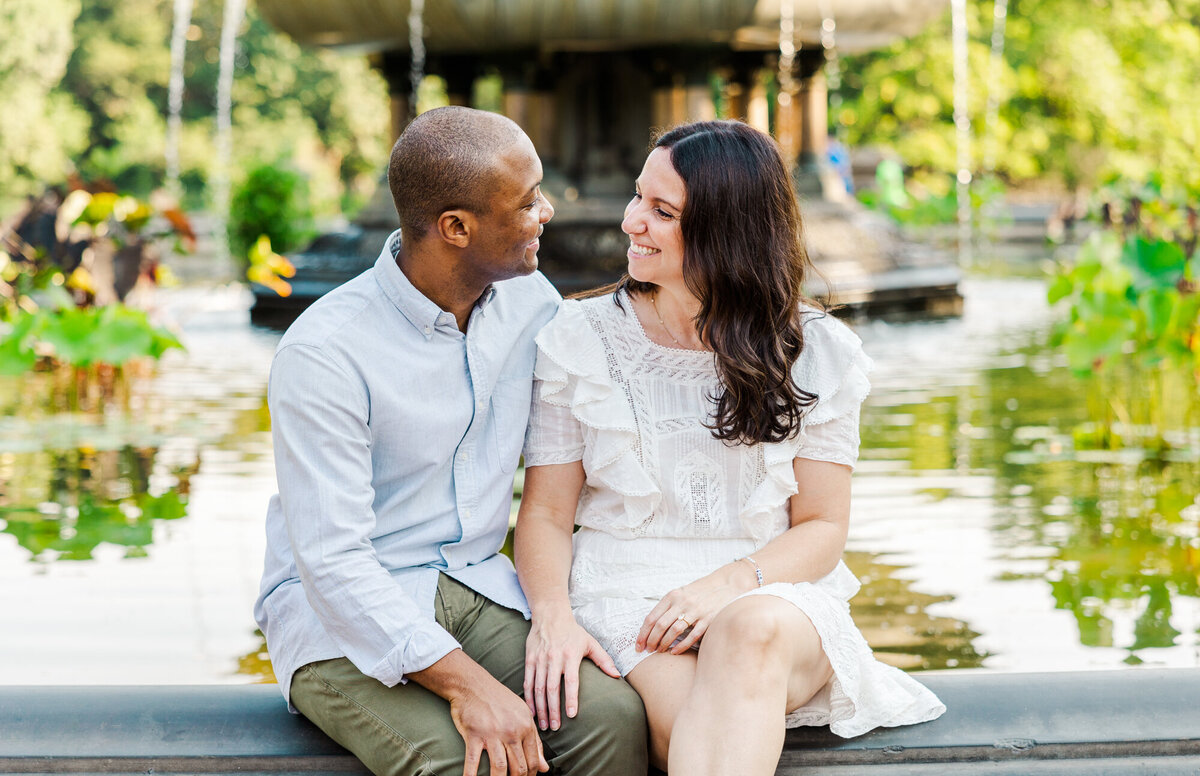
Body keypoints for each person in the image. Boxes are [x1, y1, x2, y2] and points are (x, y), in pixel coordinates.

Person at [514, 119, 945, 775]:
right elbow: (545, 514)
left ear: (727, 230)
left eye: (662, 211)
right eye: (638, 197)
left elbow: (824, 526)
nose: (632, 221)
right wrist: (551, 618)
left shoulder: (817, 351)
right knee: (696, 728)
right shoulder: (580, 339)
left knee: (750, 631)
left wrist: (725, 587)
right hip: (630, 604)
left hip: (774, 593)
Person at [254, 106, 648, 776]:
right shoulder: (325, 353)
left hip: (474, 582)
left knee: (611, 719)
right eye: (527, 202)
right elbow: (335, 564)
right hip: (336, 615)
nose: (547, 211)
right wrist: (468, 686)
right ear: (456, 228)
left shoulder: (530, 304)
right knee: (459, 760)